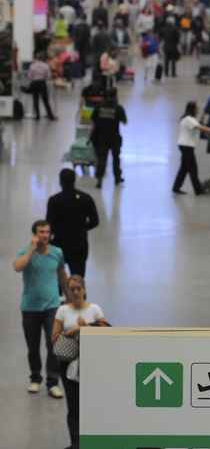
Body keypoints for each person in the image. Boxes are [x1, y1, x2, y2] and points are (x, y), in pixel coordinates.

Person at [12, 220, 66, 400]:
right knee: (32, 346)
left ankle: (52, 382)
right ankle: (35, 378)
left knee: (53, 345)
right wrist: (30, 250)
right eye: (41, 232)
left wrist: (71, 300)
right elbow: (17, 267)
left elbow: (62, 276)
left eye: (47, 232)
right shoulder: (26, 252)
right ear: (35, 234)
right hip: (30, 308)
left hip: (52, 306)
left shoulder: (57, 252)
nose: (45, 235)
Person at [53, 275, 107, 449]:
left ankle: (93, 441)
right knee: (74, 406)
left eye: (78, 288)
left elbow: (107, 331)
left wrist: (85, 327)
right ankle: (76, 444)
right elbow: (54, 338)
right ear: (67, 291)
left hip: (93, 364)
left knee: (93, 404)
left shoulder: (95, 309)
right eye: (72, 289)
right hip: (68, 365)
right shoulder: (62, 311)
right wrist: (70, 333)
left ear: (84, 290)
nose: (75, 292)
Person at [46, 169, 99, 277]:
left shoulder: (54, 200)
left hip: (59, 245)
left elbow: (48, 225)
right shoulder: (86, 198)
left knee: (57, 283)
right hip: (79, 245)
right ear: (74, 180)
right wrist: (82, 228)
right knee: (78, 282)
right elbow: (95, 221)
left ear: (60, 181)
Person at [172, 101, 210, 195]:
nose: (198, 110)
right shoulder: (189, 119)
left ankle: (176, 187)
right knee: (193, 168)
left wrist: (208, 135)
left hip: (184, 145)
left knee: (184, 168)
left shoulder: (188, 119)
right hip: (187, 146)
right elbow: (201, 128)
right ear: (192, 109)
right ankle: (198, 190)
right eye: (196, 108)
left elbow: (198, 131)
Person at [90, 87, 127, 189]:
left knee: (102, 159)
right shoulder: (118, 108)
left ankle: (99, 180)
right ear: (115, 96)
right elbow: (124, 122)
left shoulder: (98, 107)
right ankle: (117, 178)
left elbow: (93, 121)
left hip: (101, 137)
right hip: (114, 137)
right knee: (116, 158)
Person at [27, 52, 57, 121]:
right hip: (42, 83)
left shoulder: (32, 65)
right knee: (45, 100)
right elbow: (48, 76)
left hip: (34, 83)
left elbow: (29, 76)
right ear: (43, 58)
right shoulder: (46, 65)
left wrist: (34, 78)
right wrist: (44, 77)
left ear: (36, 58)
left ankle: (37, 116)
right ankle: (51, 116)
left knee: (35, 100)